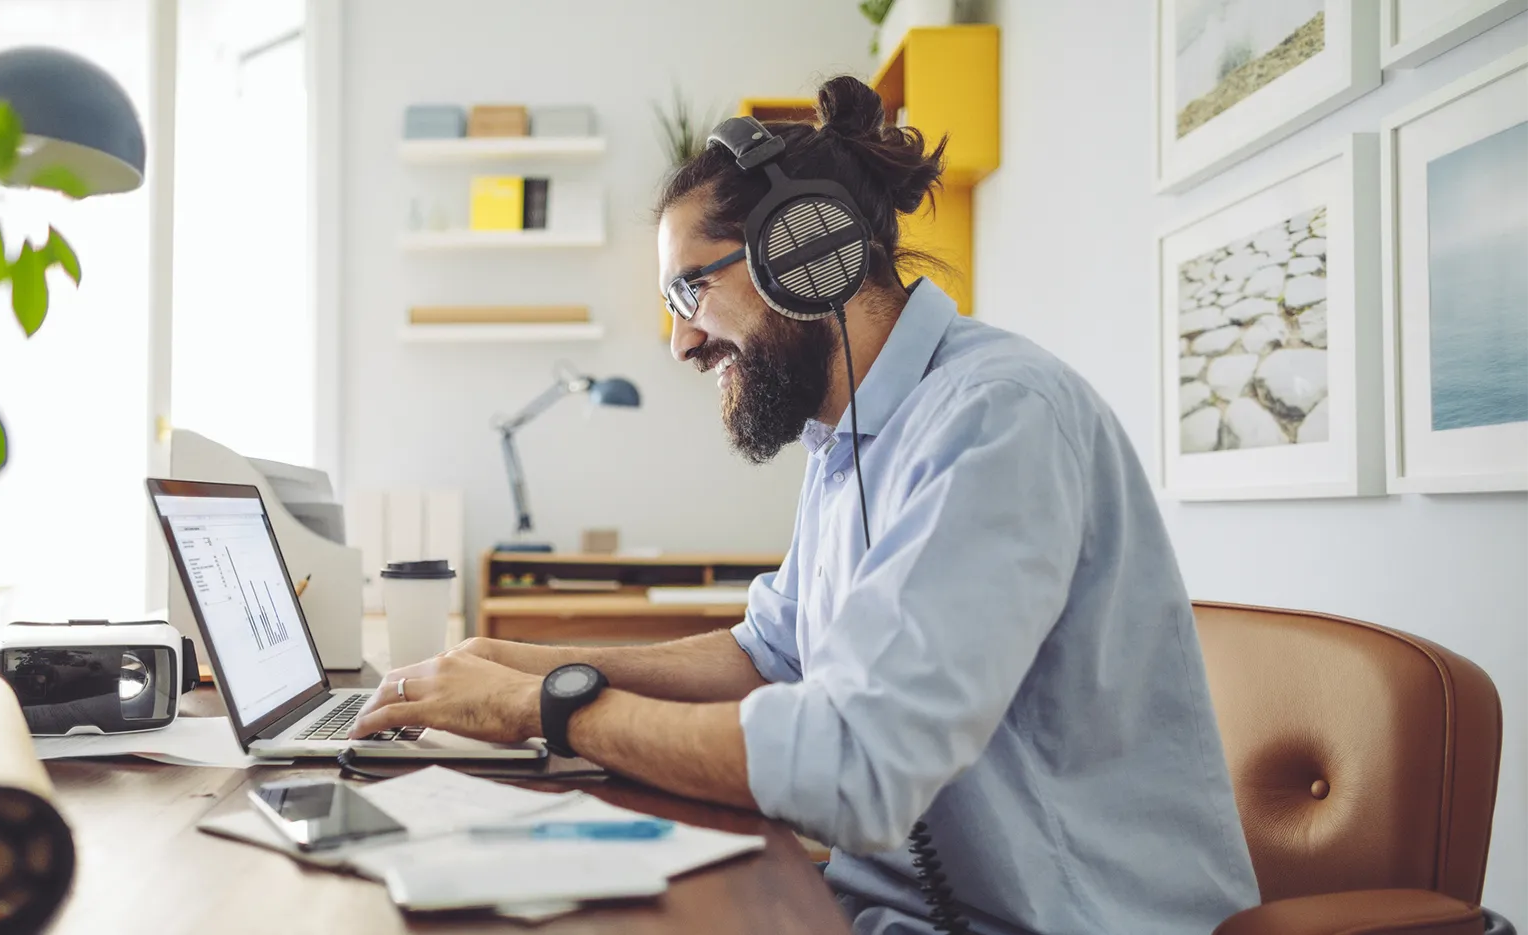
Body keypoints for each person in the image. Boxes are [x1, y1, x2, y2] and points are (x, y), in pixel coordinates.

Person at [352, 75, 1259, 934]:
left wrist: (543, 702)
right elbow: (770, 654)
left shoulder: (997, 418)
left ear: (803, 252)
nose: (680, 343)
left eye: (687, 290)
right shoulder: (846, 439)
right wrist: (516, 659)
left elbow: (853, 765)